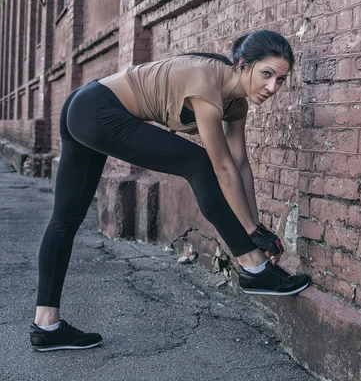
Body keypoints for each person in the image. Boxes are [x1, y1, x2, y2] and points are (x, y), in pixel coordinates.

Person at [29, 30, 311, 352]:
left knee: (66, 219)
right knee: (198, 163)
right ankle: (253, 268)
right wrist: (252, 235)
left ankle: (46, 325)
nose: (272, 87)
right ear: (243, 64)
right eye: (267, 74)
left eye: (280, 80)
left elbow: (240, 166)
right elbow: (222, 168)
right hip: (94, 110)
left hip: (84, 106)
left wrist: (256, 229)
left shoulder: (236, 106)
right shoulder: (206, 85)